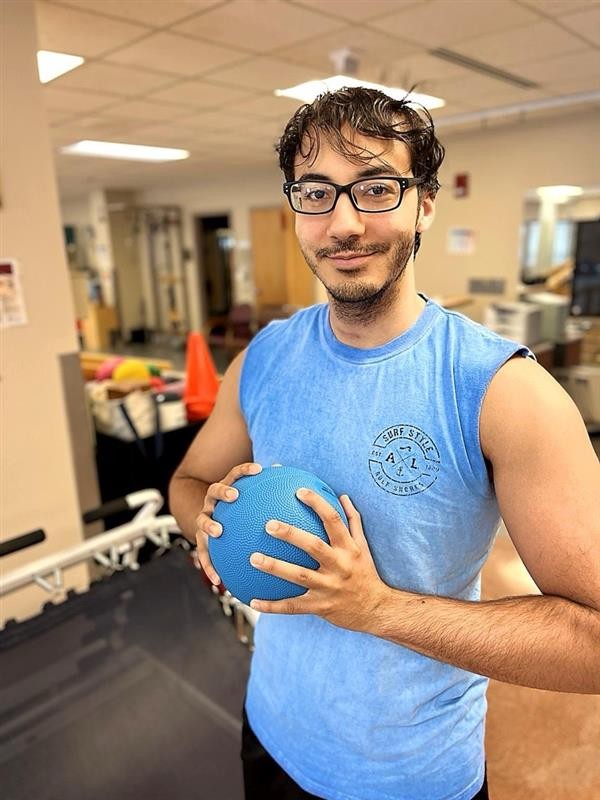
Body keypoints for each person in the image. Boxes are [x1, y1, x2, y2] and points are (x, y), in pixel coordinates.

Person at [169, 87, 600, 800]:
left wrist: (375, 607)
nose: (343, 223)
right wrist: (211, 530)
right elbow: (188, 485)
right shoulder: (266, 355)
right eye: (316, 193)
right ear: (295, 207)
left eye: (375, 188)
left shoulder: (501, 390)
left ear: (424, 202)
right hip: (270, 736)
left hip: (410, 778)